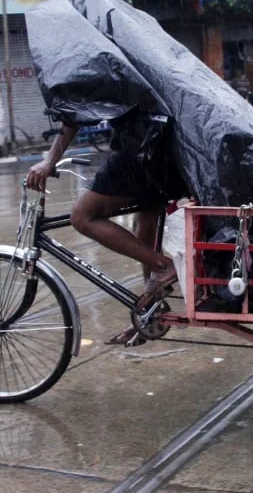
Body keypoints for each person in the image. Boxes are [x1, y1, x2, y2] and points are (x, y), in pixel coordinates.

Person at [26, 109, 189, 345]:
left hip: (141, 147)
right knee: (146, 219)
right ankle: (149, 313)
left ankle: (164, 266)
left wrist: (50, 160)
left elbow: (74, 107)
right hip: (162, 147)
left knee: (82, 216)